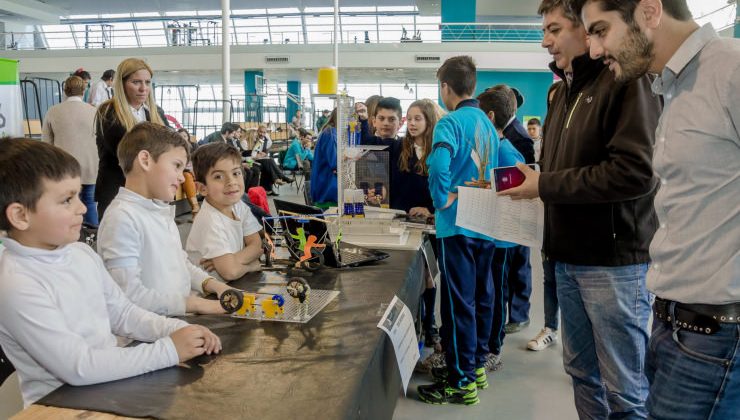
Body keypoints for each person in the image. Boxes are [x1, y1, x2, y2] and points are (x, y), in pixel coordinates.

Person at [576, 1, 740, 418]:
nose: (593, 50)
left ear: (649, 11)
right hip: (673, 323)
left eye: (600, 30)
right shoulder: (672, 86)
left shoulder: (729, 72)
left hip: (716, 333)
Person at [499, 2, 662, 418]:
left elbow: (635, 172)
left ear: (585, 30)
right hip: (566, 259)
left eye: (555, 29)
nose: (545, 40)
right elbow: (564, 172)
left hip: (614, 266)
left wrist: (546, 184)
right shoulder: (562, 91)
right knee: (582, 374)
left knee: (626, 390)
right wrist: (531, 181)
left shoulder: (624, 79)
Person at [0, 138, 221, 407]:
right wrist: (169, 349)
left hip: (107, 386)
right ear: (21, 216)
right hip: (62, 406)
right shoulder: (15, 284)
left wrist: (178, 328)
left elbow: (123, 313)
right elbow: (79, 366)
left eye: (78, 196)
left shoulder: (80, 253)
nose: (82, 208)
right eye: (67, 200)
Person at [416, 56, 500, 406]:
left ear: (445, 87)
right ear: (474, 85)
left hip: (457, 227)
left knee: (455, 305)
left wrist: (442, 199)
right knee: (481, 298)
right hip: (486, 223)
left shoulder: (449, 123)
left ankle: (460, 381)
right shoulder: (487, 124)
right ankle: (476, 365)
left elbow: (438, 163)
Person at [97, 123, 232, 316]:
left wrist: (213, 285)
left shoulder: (158, 209)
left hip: (176, 321)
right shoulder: (122, 218)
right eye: (176, 166)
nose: (182, 178)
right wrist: (196, 304)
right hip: (146, 337)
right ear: (145, 160)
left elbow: (180, 263)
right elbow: (128, 295)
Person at [476, 85, 527, 373]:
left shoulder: (506, 153)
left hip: (502, 240)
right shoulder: (492, 149)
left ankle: (493, 348)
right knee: (487, 293)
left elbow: (508, 201)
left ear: (490, 115)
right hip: (488, 235)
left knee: (495, 295)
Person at [95, 57, 169, 219]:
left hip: (149, 192)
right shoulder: (108, 112)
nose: (143, 88)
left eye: (147, 82)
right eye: (136, 82)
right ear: (121, 84)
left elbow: (171, 146)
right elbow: (131, 152)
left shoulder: (155, 112)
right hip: (117, 191)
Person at [186, 143, 263, 282]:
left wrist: (233, 260)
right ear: (202, 188)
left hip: (232, 286)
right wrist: (250, 266)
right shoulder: (209, 220)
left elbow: (257, 246)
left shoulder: (239, 206)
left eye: (236, 173)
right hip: (207, 295)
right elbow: (230, 272)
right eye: (218, 177)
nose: (231, 182)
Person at [42, 75, 100, 227]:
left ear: (65, 90)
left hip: (64, 169)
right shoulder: (94, 112)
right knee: (90, 203)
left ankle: (68, 238)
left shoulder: (53, 111)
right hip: (90, 168)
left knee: (66, 204)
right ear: (84, 90)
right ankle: (93, 239)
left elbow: (46, 145)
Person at [310, 109, 338, 208]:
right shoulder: (330, 133)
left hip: (326, 185)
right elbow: (334, 162)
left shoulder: (330, 131)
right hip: (327, 189)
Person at [252, 124, 291, 196]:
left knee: (269, 163)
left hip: (261, 158)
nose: (262, 134)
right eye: (260, 132)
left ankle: (269, 189)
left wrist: (264, 153)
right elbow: (253, 153)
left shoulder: (265, 138)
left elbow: (267, 148)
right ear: (257, 131)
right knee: (269, 162)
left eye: (264, 132)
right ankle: (280, 177)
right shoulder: (254, 139)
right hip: (254, 160)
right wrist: (258, 154)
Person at [176, 128, 200, 215]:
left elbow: (199, 160)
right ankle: (195, 206)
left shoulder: (194, 145)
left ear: (188, 137)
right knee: (187, 176)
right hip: (183, 171)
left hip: (195, 170)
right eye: (180, 136)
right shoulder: (175, 148)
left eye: (185, 136)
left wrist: (195, 169)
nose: (183, 138)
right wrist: (189, 170)